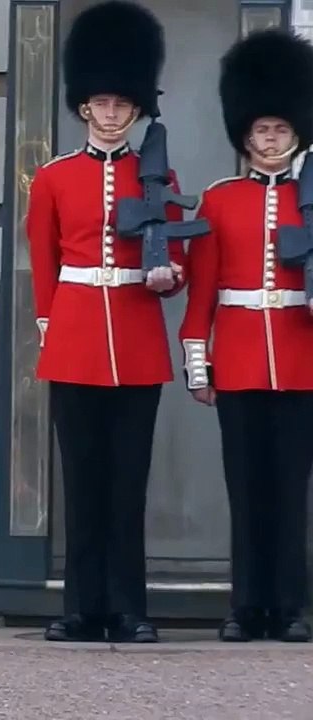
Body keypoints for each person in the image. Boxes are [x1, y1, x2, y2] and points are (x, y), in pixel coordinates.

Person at [28, 0, 189, 644]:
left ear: (135, 108)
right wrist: (50, 326)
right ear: (84, 108)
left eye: (123, 104)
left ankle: (128, 607)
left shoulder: (159, 175)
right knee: (82, 483)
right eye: (102, 103)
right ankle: (81, 607)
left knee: (128, 486)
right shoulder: (54, 178)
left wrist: (168, 274)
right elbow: (44, 265)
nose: (113, 113)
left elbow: (177, 254)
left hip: (136, 336)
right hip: (74, 340)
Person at [179, 28, 313, 644]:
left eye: (280, 131)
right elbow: (202, 292)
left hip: (299, 358)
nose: (269, 140)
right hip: (236, 358)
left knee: (291, 491)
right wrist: (198, 365)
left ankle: (288, 606)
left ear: (296, 133)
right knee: (245, 489)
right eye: (260, 131)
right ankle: (245, 605)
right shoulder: (220, 198)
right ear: (244, 135)